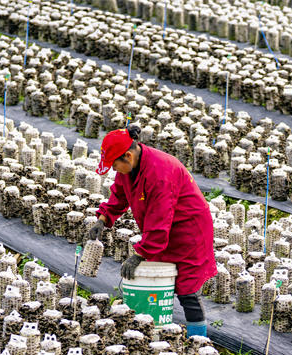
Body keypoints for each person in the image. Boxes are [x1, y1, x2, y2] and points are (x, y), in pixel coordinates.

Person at [88, 126, 217, 337]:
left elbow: (160, 219)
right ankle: (154, 330)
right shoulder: (129, 169)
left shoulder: (160, 173)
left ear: (128, 156)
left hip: (189, 231)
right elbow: (119, 195)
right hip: (164, 230)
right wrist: (102, 220)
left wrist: (139, 254)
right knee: (159, 282)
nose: (114, 170)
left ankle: (199, 342)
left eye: (114, 165)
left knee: (187, 289)